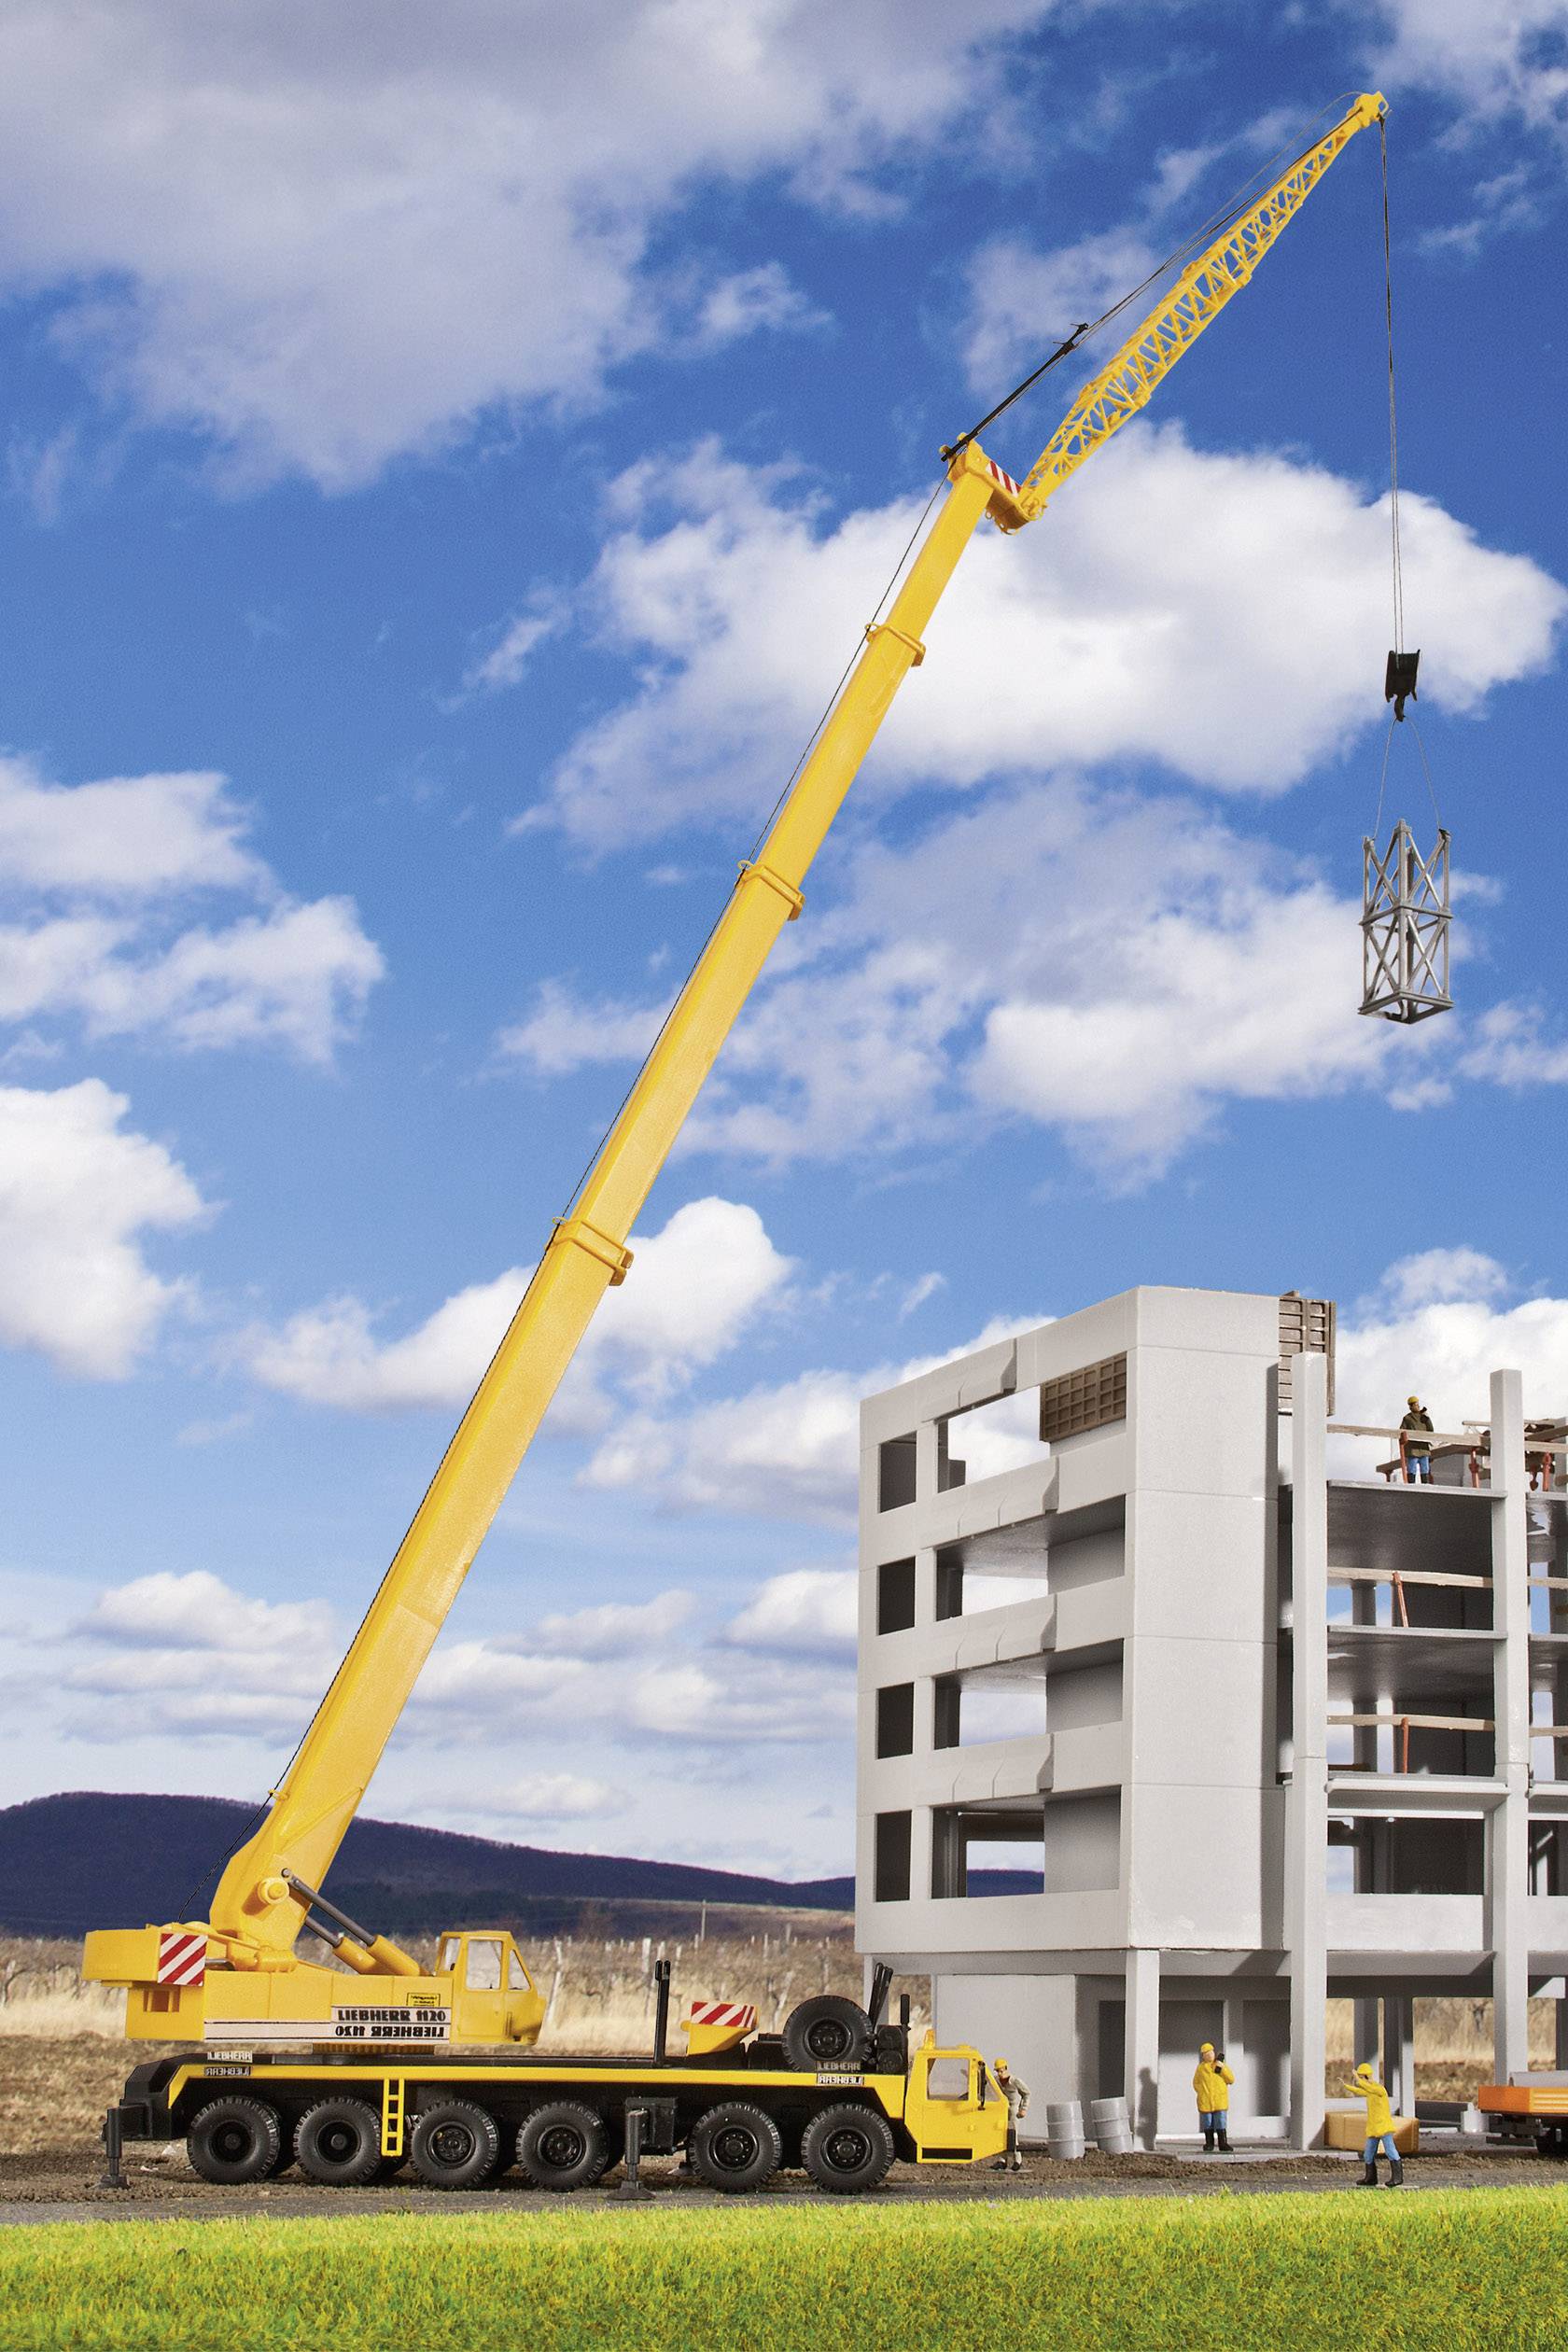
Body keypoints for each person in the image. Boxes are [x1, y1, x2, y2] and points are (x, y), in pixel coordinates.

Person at [1349, 2059, 1403, 2187]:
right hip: (1374, 2128)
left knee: (1390, 2151)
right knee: (1368, 2154)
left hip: (1383, 2127)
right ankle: (1370, 2178)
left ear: (1367, 2076)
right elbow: (1360, 2091)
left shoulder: (1379, 2089)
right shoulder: (1369, 2091)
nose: (1361, 2080)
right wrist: (1347, 2086)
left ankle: (1397, 2177)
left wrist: (1357, 2078)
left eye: (1363, 2077)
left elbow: (1366, 2087)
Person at [1193, 2041, 1235, 2152]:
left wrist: (1222, 2069)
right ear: (1203, 2056)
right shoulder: (1201, 2068)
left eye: (1210, 2052)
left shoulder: (1220, 2065)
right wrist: (1202, 2092)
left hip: (1219, 2100)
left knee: (1221, 2122)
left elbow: (1231, 2079)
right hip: (1206, 2101)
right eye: (1206, 2053)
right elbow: (1196, 2083)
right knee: (1208, 2123)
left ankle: (1223, 2143)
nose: (1209, 2055)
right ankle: (1209, 2143)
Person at [990, 2058, 1029, 2171]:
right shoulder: (996, 2080)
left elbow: (1026, 2094)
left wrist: (1023, 2109)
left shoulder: (1015, 2081)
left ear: (1006, 2069)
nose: (1000, 2073)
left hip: (1013, 2109)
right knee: (1001, 2134)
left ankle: (1018, 2160)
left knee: (1013, 2134)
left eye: (1001, 2070)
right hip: (1001, 2110)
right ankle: (1002, 2160)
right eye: (997, 2071)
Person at [1400, 1394, 1434, 1484]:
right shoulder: (1407, 1418)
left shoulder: (1423, 1417)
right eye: (1415, 1404)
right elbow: (1401, 1431)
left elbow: (1431, 1429)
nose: (1418, 1406)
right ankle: (1411, 1484)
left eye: (1418, 1404)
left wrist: (1427, 1418)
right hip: (1413, 1448)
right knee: (1412, 1468)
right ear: (1411, 1406)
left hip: (1423, 1447)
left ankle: (1425, 1485)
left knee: (1425, 1468)